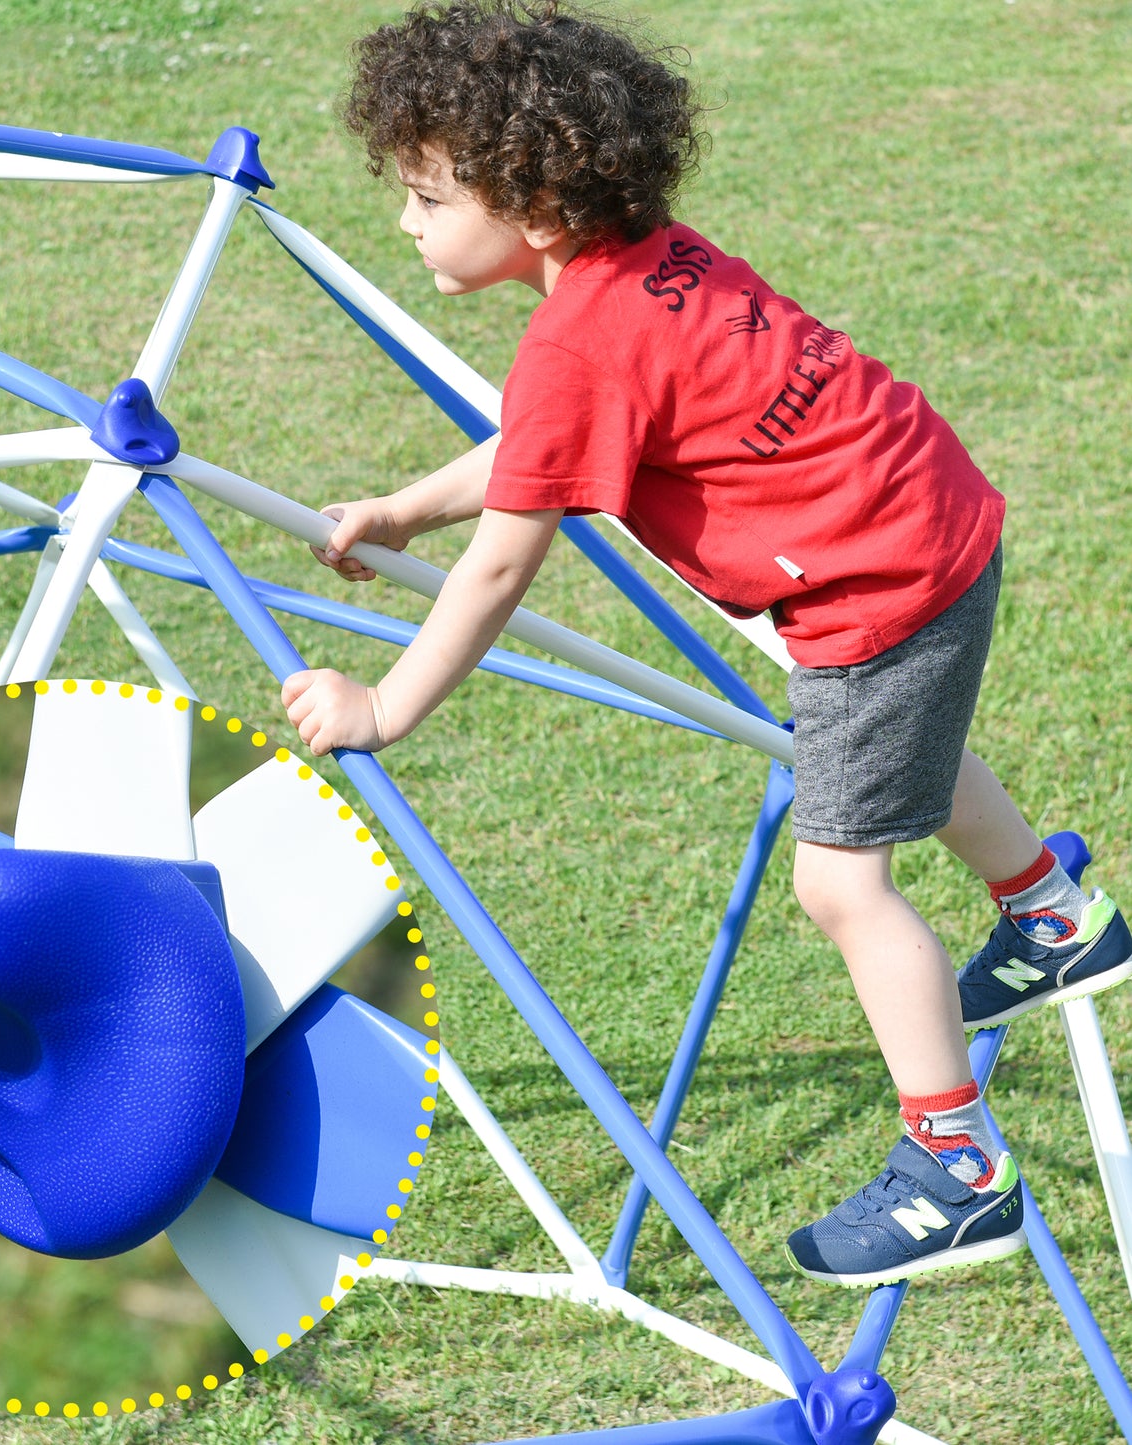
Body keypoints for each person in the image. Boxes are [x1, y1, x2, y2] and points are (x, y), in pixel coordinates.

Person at [281, 0, 1132, 1286]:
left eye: (425, 193)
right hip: (930, 520)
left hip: (871, 592)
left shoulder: (574, 340)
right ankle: (1050, 914)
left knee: (841, 883)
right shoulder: (650, 260)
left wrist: (384, 708)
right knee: (895, 744)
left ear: (535, 202)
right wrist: (405, 504)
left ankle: (958, 1170)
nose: (406, 220)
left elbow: (509, 551)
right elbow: (546, 447)